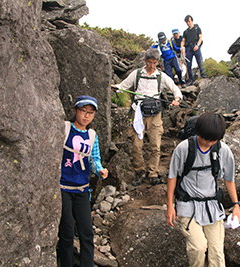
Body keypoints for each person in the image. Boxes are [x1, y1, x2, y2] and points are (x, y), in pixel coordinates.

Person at [166, 112, 240, 267]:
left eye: (212, 141)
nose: (207, 144)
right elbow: (172, 176)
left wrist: (236, 205)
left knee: (217, 252)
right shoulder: (184, 148)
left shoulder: (223, 151)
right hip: (188, 206)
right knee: (198, 247)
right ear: (198, 132)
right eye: (204, 139)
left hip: (212, 207)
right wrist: (170, 206)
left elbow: (229, 179)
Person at [111, 48, 183, 186]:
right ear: (144, 61)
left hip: (155, 114)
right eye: (149, 62)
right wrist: (116, 87)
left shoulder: (161, 76)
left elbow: (175, 89)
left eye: (154, 62)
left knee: (155, 145)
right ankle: (139, 171)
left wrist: (177, 99)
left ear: (158, 62)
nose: (151, 65)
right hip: (137, 112)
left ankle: (153, 173)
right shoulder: (136, 74)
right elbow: (123, 86)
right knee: (136, 145)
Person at [58, 95, 109, 267]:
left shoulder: (92, 135)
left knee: (86, 233)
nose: (86, 116)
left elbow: (94, 159)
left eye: (91, 113)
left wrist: (100, 170)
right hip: (63, 188)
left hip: (81, 190)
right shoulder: (64, 128)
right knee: (66, 233)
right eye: (83, 111)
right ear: (75, 110)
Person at [181, 15, 207, 86]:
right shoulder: (185, 32)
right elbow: (183, 40)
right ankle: (190, 79)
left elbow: (200, 38)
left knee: (200, 61)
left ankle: (203, 74)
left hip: (196, 46)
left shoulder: (197, 28)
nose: (188, 23)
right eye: (186, 22)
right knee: (188, 64)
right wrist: (181, 47)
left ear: (192, 21)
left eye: (189, 21)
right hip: (188, 48)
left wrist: (198, 45)